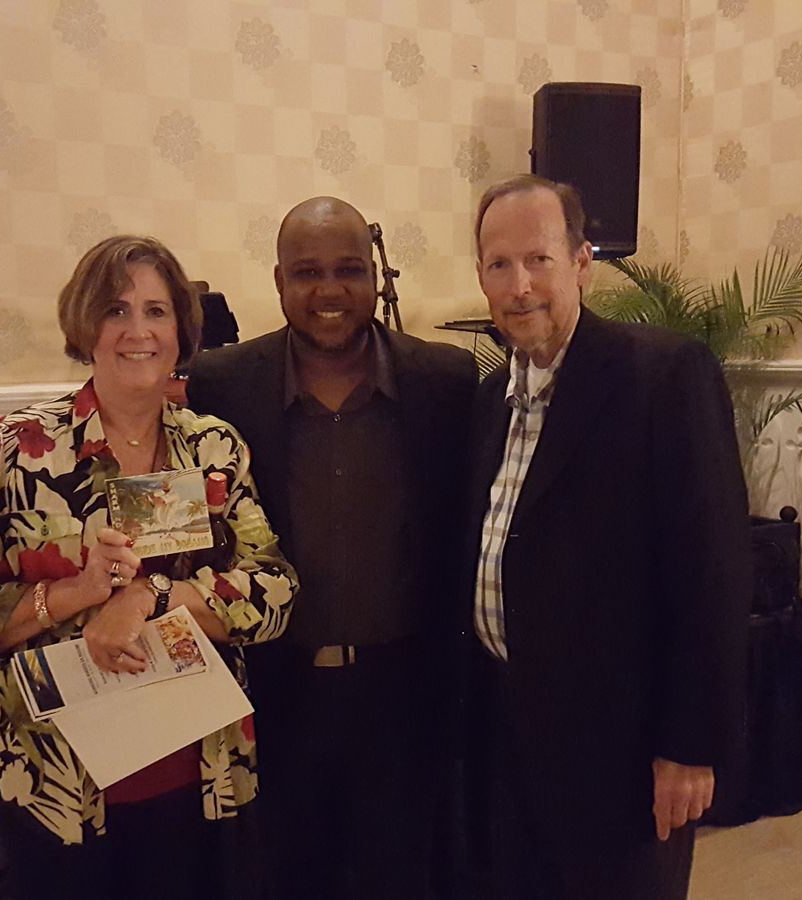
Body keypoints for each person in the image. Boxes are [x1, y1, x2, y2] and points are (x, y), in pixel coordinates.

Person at [0, 235, 297, 900]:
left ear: (181, 330)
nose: (137, 331)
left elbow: (273, 593)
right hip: (54, 775)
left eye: (156, 311)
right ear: (84, 325)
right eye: (115, 310)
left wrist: (149, 594)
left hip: (194, 765)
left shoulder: (214, 449)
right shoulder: (18, 452)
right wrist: (77, 593)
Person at [466, 175, 750, 900]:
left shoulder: (663, 376)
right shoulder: (489, 401)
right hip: (510, 737)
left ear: (582, 261)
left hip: (620, 749)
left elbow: (711, 575)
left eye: (539, 259)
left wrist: (690, 746)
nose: (519, 285)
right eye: (499, 264)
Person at [185, 196, 476, 899]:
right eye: (308, 272)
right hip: (277, 692)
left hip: (409, 693)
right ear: (278, 280)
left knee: (408, 877)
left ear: (375, 275)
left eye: (349, 269)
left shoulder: (447, 381)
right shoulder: (223, 384)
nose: (330, 290)